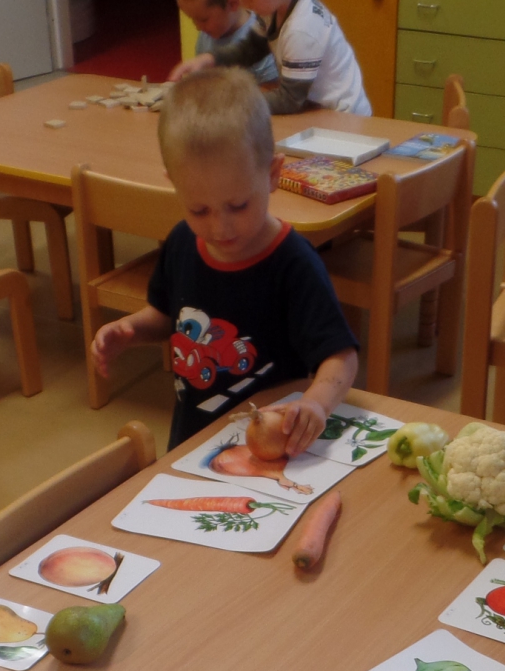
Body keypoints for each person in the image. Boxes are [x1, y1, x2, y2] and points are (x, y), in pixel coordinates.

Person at [91, 67, 358, 454]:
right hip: (193, 441)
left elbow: (340, 355)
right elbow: (168, 317)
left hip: (272, 448)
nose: (220, 227)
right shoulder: (182, 242)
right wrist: (131, 330)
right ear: (175, 185)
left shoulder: (293, 262)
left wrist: (317, 403)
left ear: (273, 174)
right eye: (199, 209)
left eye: (238, 205)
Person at [169, 0, 372, 116]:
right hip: (317, 111)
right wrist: (211, 59)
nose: (243, 3)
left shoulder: (301, 29)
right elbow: (252, 48)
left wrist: (230, 100)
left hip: (344, 117)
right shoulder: (272, 10)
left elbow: (290, 100)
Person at [179, 0, 279, 86]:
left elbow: (274, 91)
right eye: (193, 19)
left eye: (204, 20)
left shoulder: (264, 32)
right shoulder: (207, 33)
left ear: (232, 4)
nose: (198, 27)